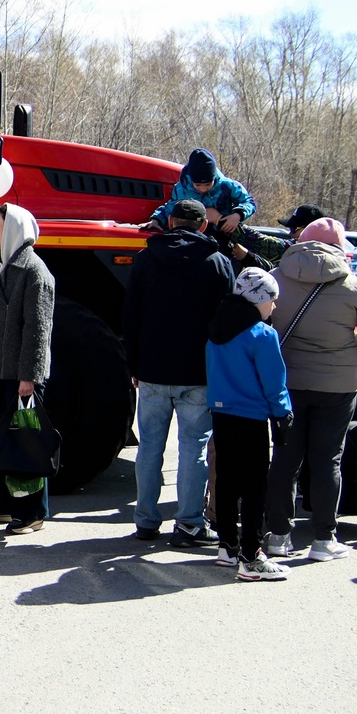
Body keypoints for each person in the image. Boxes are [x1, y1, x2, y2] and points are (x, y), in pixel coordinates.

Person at [263, 216, 357, 562]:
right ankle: (323, 539)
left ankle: (277, 536)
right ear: (339, 248)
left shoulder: (275, 278)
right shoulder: (352, 285)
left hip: (286, 384)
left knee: (285, 459)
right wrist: (353, 347)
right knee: (327, 460)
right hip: (337, 386)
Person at [123, 198, 233, 546]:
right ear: (203, 225)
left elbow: (131, 316)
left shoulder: (145, 259)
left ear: (170, 222)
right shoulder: (217, 263)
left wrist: (134, 364)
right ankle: (188, 524)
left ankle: (145, 520)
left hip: (152, 370)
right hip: (198, 373)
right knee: (193, 449)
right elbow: (225, 324)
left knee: (150, 448)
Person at [0, 204, 56, 534]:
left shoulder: (35, 272)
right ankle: (1, 506)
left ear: (14, 230)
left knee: (26, 443)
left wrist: (29, 377)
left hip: (19, 376)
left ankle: (33, 513)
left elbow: (38, 328)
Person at [204, 267, 293, 581]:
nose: (274, 307)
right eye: (272, 300)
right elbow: (274, 381)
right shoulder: (262, 334)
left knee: (226, 482)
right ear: (259, 300)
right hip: (251, 416)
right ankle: (252, 556)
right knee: (255, 487)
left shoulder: (217, 330)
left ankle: (227, 547)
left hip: (221, 413)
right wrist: (282, 414)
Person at [149, 148, 256, 233]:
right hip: (194, 234)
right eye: (198, 185)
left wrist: (237, 215)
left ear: (214, 178)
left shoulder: (227, 185)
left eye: (208, 184)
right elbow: (170, 208)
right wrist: (156, 220)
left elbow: (248, 202)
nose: (203, 189)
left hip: (224, 231)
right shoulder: (182, 188)